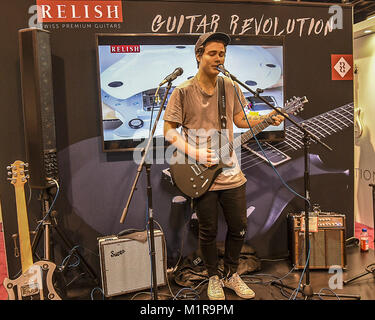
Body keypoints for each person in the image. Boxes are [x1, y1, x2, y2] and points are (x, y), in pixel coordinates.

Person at [163, 32, 284, 300]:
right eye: (213, 53)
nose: (219, 58)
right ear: (199, 55)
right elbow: (169, 131)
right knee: (207, 231)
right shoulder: (182, 91)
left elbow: (240, 119)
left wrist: (265, 119)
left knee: (239, 226)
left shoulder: (230, 86)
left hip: (231, 171)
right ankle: (213, 277)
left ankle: (231, 274)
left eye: (222, 54)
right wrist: (195, 151)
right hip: (201, 173)